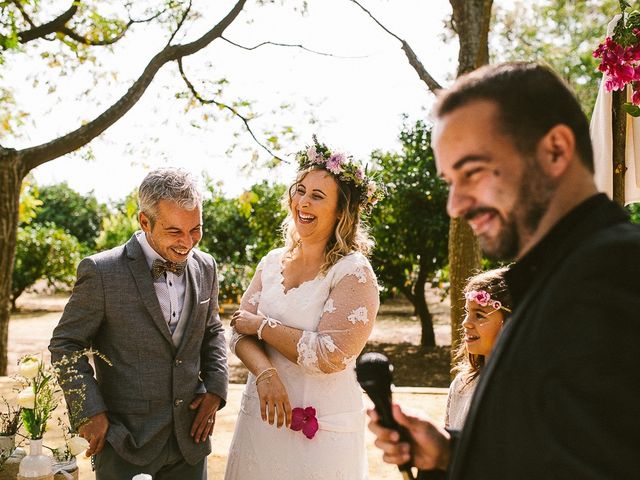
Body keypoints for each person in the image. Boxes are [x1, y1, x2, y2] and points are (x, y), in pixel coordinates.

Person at [368, 61, 640, 478]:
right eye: (450, 182)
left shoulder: (615, 275)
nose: (455, 206)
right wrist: (449, 454)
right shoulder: (546, 281)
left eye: (472, 172)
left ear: (555, 151)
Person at [49, 168, 228, 480]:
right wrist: (89, 410)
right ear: (145, 222)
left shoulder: (206, 266)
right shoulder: (101, 272)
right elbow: (66, 344)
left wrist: (215, 387)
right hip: (125, 443)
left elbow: (211, 329)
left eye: (195, 229)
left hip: (191, 442)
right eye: (175, 232)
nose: (187, 243)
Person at [224, 137, 384, 479]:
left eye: (317, 196)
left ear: (341, 211)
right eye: (300, 190)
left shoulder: (353, 271)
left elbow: (331, 354)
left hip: (321, 431)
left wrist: (263, 326)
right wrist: (266, 373)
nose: (303, 202)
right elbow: (239, 330)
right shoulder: (270, 263)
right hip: (261, 421)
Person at [445, 268, 511, 430]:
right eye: (467, 312)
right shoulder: (461, 385)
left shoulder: (522, 390)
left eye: (479, 315)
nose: (466, 323)